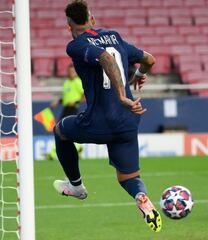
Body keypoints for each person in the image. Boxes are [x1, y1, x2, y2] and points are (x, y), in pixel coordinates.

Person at [52, 0, 161, 233]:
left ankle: (77, 187)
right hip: (128, 120)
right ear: (92, 19)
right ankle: (141, 197)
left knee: (60, 131)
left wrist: (121, 94)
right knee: (128, 176)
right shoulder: (114, 36)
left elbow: (106, 59)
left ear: (69, 25)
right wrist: (140, 74)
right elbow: (150, 59)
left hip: (99, 121)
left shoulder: (76, 45)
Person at [47, 63, 85, 160]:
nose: (71, 73)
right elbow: (66, 98)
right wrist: (58, 101)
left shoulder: (78, 82)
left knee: (60, 130)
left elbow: (84, 96)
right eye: (70, 71)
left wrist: (76, 102)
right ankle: (78, 147)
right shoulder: (67, 82)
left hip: (73, 109)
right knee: (62, 130)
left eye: (73, 71)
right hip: (65, 108)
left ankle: (52, 153)